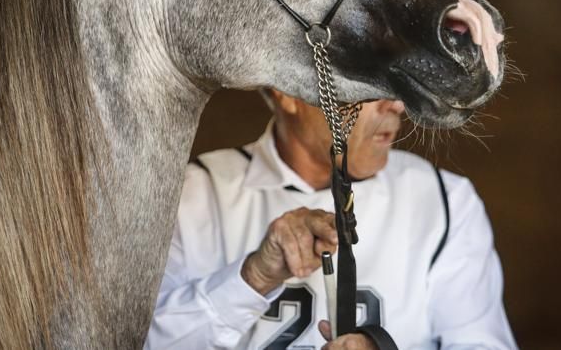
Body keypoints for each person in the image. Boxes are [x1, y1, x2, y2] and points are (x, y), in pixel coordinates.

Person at [148, 91, 517, 349]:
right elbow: (144, 343)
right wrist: (253, 278)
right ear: (287, 92)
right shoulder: (193, 195)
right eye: (365, 85)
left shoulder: (442, 201)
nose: (397, 104)